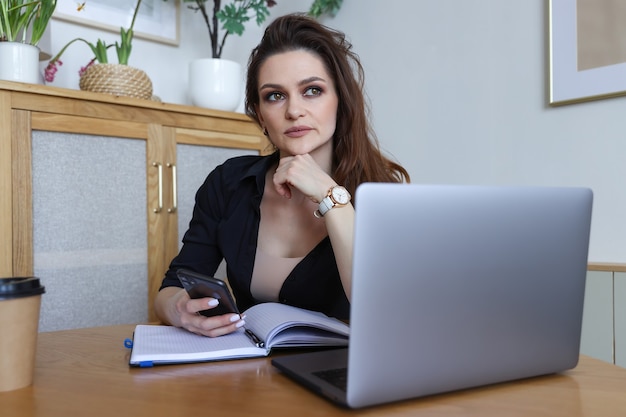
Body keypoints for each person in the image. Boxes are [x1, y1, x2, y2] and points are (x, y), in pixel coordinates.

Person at [154, 13, 410, 337]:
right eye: (275, 95)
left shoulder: (382, 195)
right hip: (250, 377)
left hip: (341, 377)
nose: (293, 110)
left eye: (312, 90)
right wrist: (180, 310)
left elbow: (381, 312)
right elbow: (171, 287)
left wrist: (331, 196)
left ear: (340, 102)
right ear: (260, 115)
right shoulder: (227, 184)